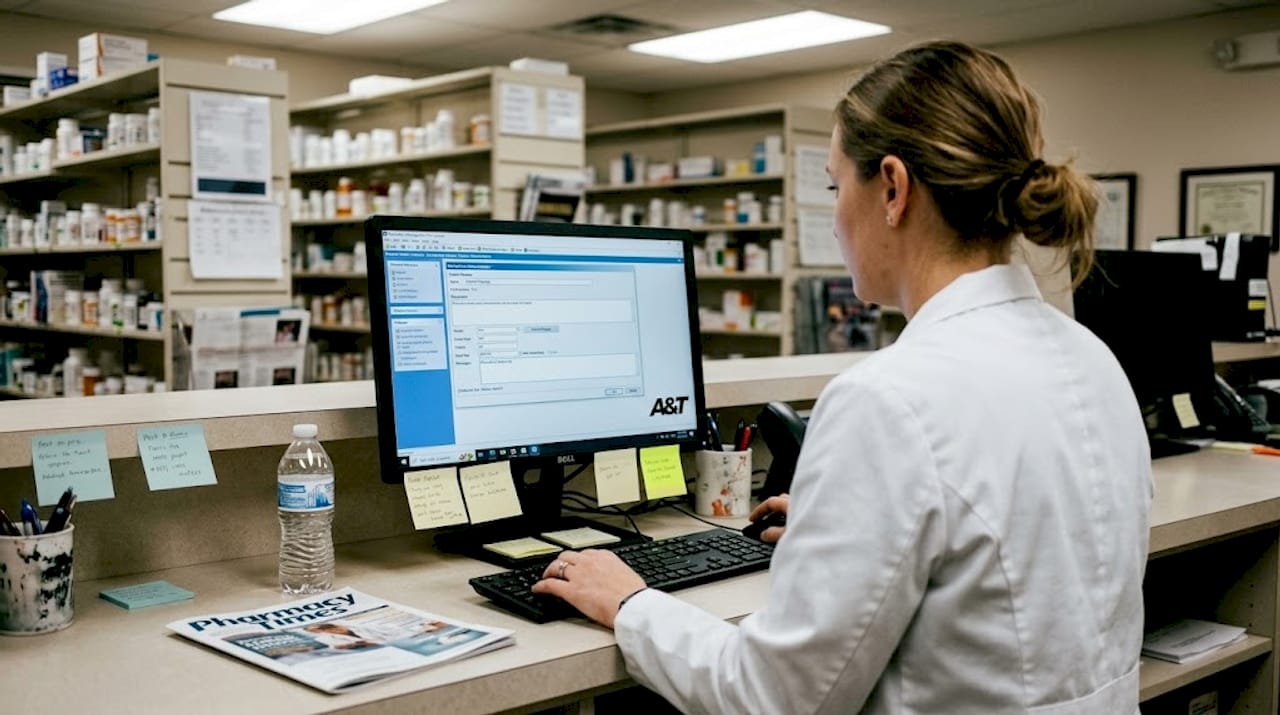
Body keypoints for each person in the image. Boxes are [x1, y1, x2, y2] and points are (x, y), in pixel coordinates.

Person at [533, 40, 1152, 714]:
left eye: (834, 186)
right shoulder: (1091, 357)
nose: (832, 216)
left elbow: (774, 698)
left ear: (892, 187)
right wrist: (846, 529)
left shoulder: (889, 400)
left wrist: (630, 603)